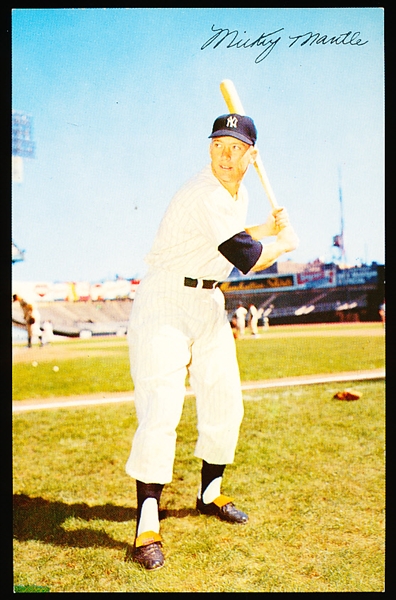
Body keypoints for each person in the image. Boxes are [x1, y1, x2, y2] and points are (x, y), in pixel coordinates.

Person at [125, 113, 299, 570]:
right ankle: (147, 525)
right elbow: (248, 257)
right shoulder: (204, 191)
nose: (226, 154)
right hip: (165, 300)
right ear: (209, 149)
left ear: (250, 156)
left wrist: (265, 227)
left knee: (226, 401)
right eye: (219, 144)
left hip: (207, 303)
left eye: (236, 147)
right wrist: (282, 242)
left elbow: (235, 236)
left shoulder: (233, 193)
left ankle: (209, 494)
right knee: (161, 410)